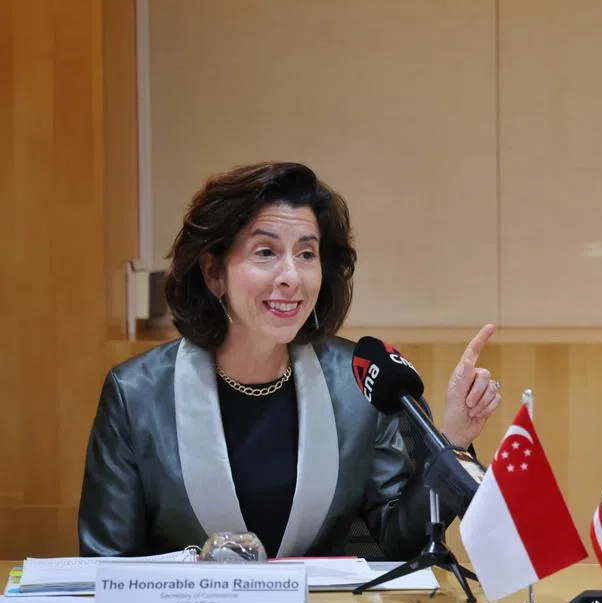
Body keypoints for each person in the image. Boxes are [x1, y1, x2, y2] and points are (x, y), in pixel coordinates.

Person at [79, 162, 503, 558]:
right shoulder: (136, 394)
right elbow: (104, 568)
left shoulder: (358, 383)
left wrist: (452, 441)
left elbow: (397, 542)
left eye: (306, 254)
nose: (291, 277)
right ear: (214, 273)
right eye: (265, 252)